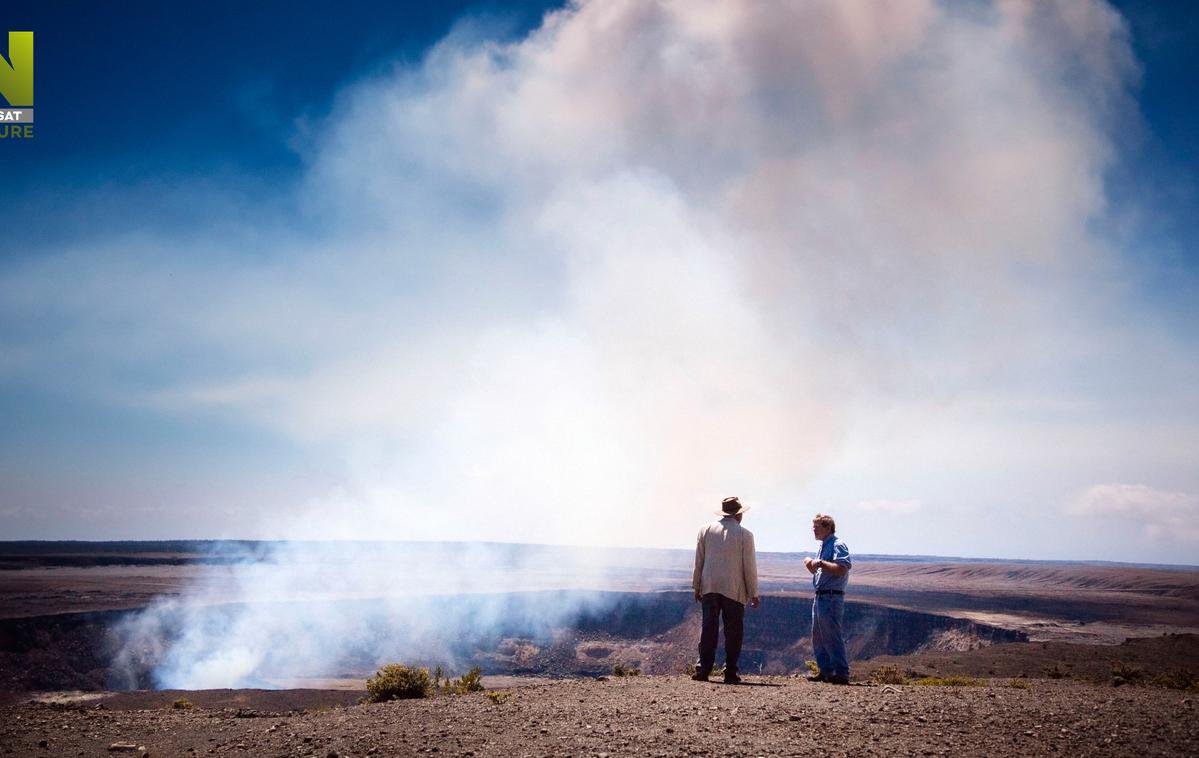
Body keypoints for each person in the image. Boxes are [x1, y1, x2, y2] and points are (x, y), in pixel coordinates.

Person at [692, 496, 760, 684]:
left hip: (709, 586)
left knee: (708, 629)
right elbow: (749, 566)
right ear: (738, 514)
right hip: (734, 588)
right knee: (733, 631)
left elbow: (699, 561)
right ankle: (730, 672)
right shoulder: (745, 535)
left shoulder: (705, 530)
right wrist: (753, 592)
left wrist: (696, 586)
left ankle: (703, 670)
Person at [803, 513, 852, 684]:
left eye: (817, 527)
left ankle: (841, 672)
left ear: (827, 527)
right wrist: (811, 563)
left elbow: (842, 568)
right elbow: (818, 571)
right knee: (818, 636)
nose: (814, 530)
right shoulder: (823, 546)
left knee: (832, 635)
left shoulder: (838, 545)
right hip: (821, 596)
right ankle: (826, 671)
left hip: (831, 597)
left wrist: (821, 563)